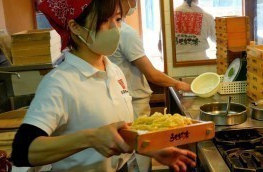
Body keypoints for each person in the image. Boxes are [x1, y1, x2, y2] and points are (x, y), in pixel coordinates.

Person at [10, 0, 196, 172]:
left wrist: (151, 150)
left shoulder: (113, 71)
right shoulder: (59, 83)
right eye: (104, 21)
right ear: (75, 27)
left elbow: (118, 134)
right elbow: (23, 151)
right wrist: (91, 138)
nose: (115, 28)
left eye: (117, 19)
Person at [109, 1, 192, 170]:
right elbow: (152, 74)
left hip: (124, 102)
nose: (136, 3)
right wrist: (178, 83)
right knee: (139, 158)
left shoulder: (116, 32)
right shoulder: (124, 32)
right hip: (133, 105)